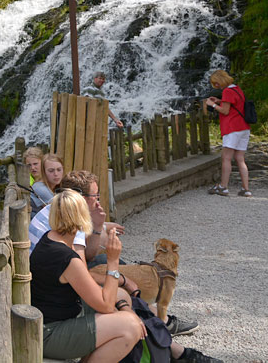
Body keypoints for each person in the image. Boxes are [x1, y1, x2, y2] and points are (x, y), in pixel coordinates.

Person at [30, 191, 221, 363]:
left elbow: (94, 289)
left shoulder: (51, 239)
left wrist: (124, 305)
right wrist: (113, 261)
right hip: (50, 333)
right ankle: (172, 350)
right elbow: (104, 304)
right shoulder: (66, 257)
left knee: (121, 299)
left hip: (51, 322)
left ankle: (171, 349)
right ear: (81, 219)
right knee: (130, 328)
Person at [30, 170, 198, 337]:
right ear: (79, 198)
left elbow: (87, 257)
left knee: (116, 279)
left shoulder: (59, 215)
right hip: (57, 315)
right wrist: (115, 266)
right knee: (125, 312)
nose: (98, 202)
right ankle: (158, 327)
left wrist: (97, 227)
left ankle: (157, 322)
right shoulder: (69, 227)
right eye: (95, 196)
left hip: (53, 293)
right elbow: (82, 272)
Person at [204, 69, 252, 197]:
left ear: (220, 81)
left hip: (232, 128)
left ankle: (223, 187)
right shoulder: (237, 89)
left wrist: (212, 105)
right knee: (240, 159)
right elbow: (234, 104)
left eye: (216, 84)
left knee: (226, 158)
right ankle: (246, 189)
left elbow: (225, 111)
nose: (216, 86)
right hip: (244, 128)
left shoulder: (227, 91)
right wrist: (219, 101)